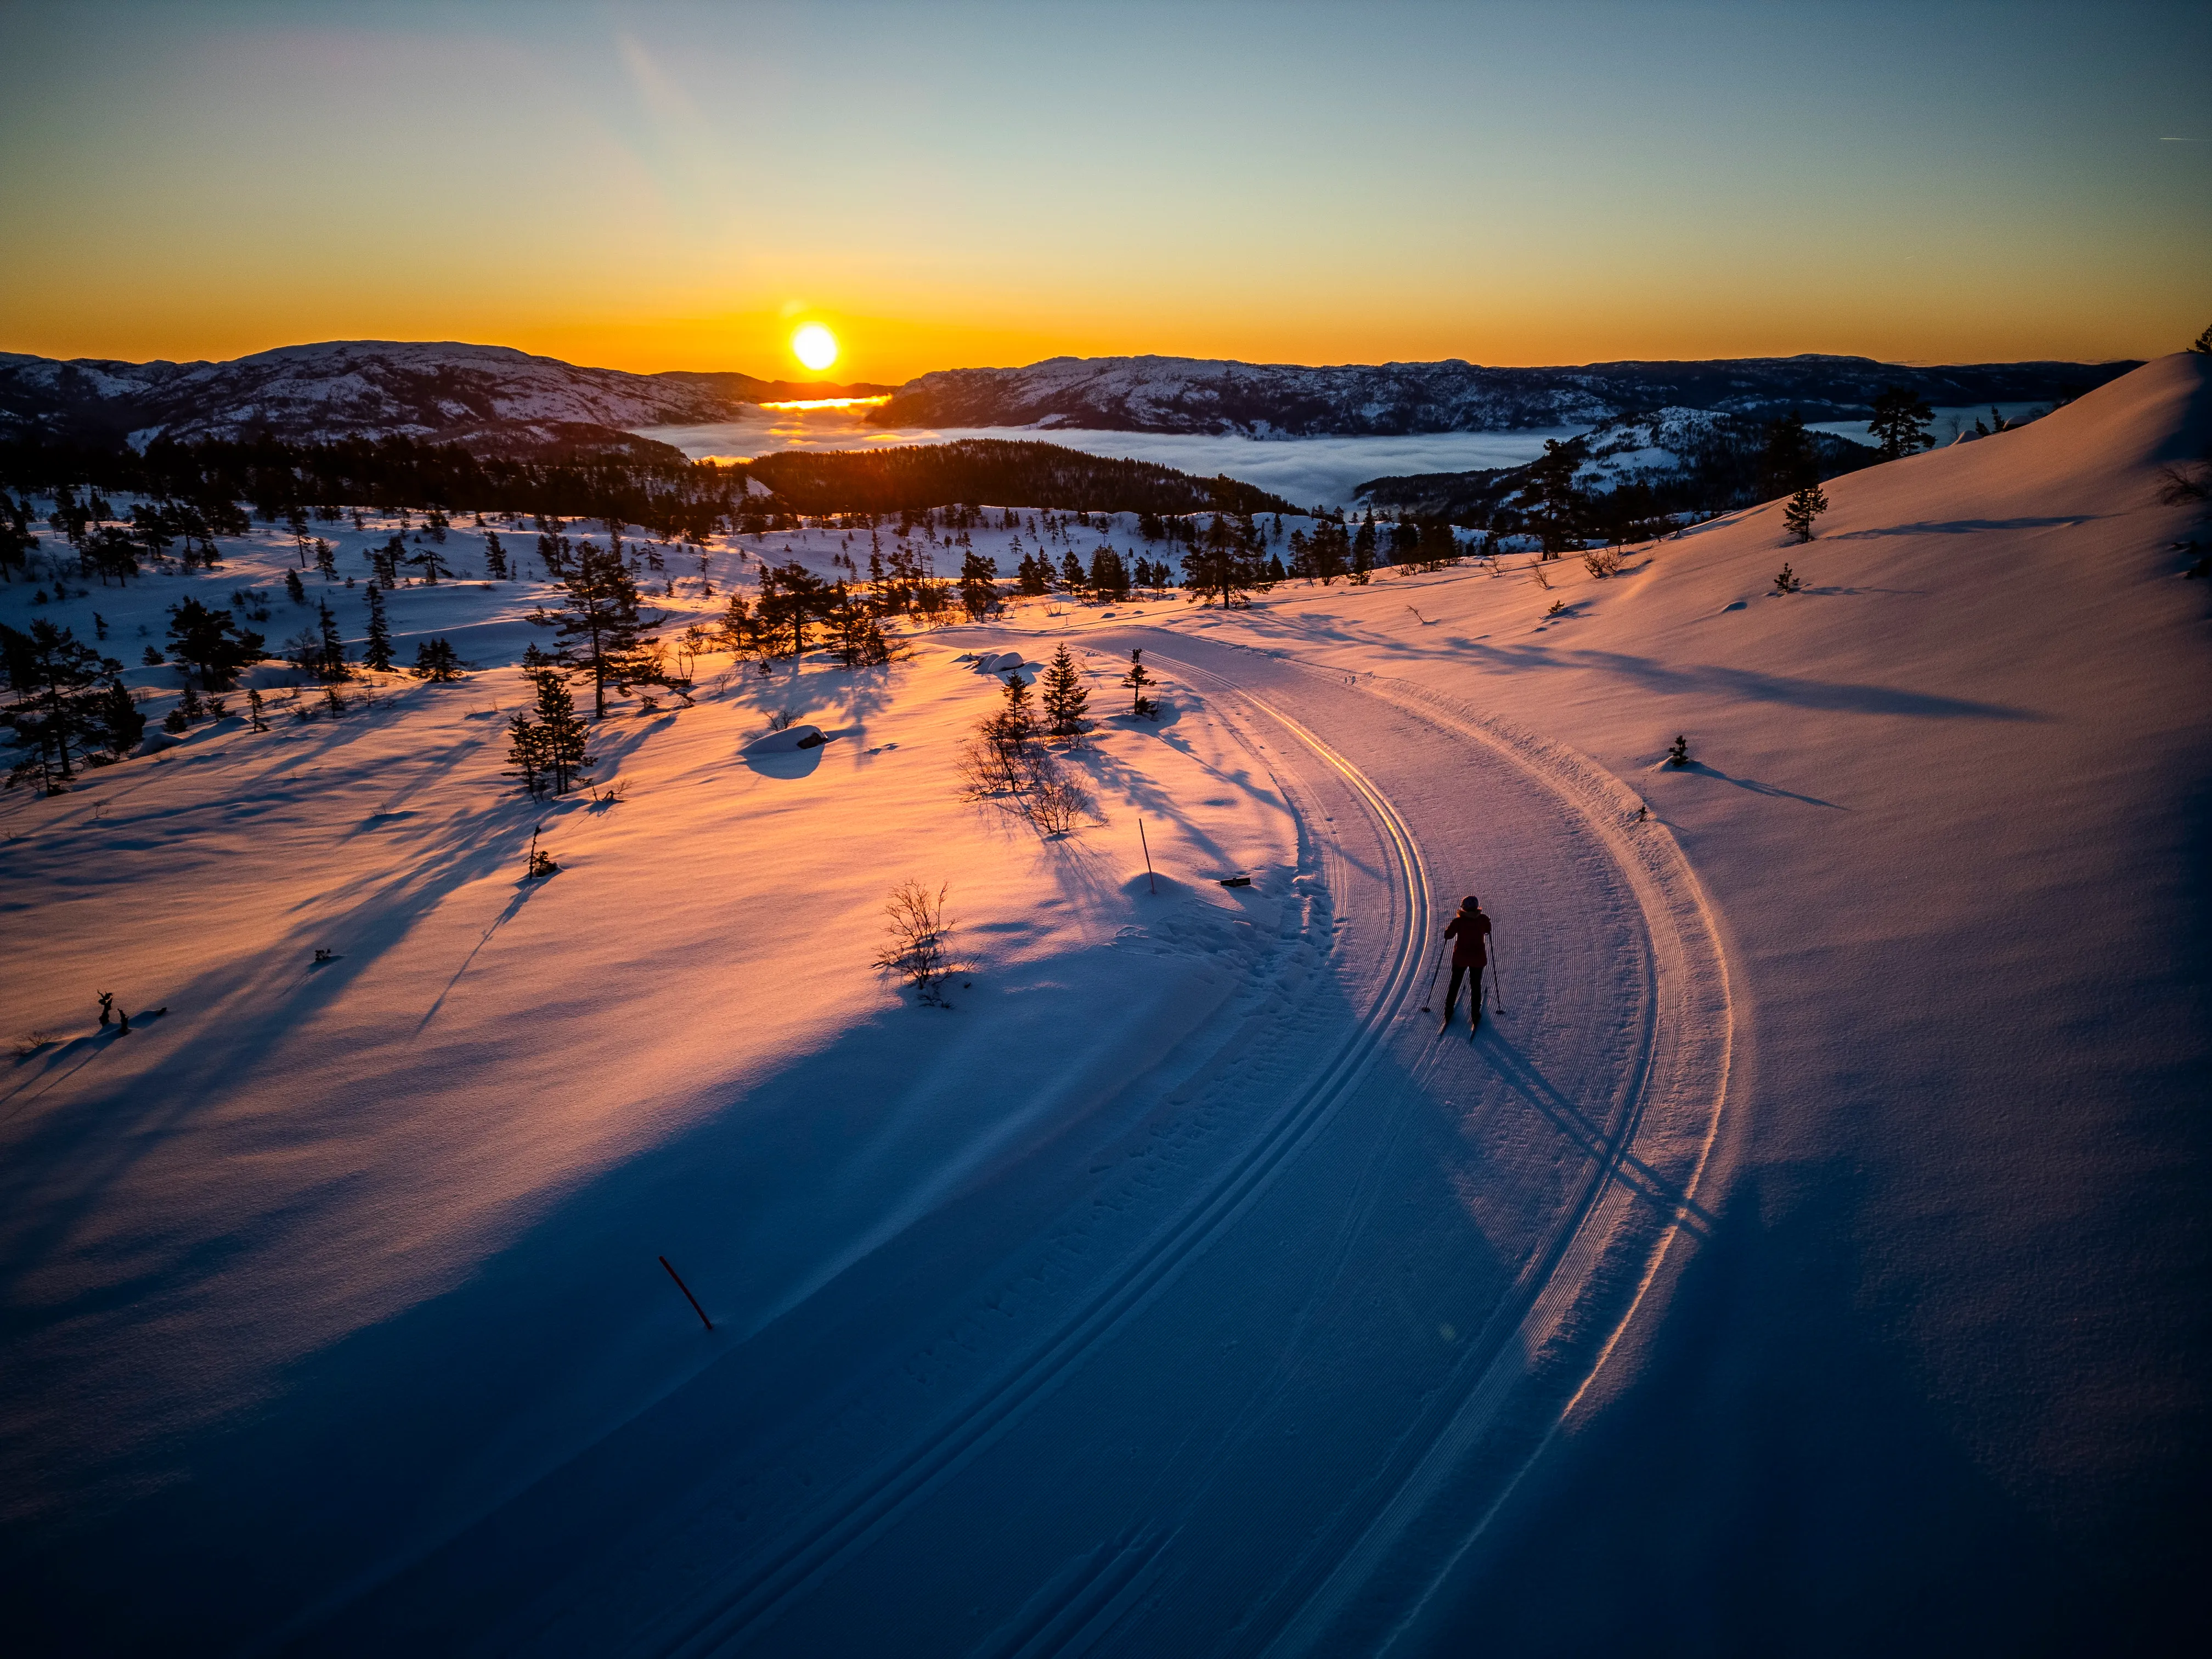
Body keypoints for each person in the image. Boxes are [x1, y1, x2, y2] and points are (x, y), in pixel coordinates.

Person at [1441, 895, 1492, 1030]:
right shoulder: (1483, 919)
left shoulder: (1458, 922)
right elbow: (1488, 930)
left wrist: (1447, 930)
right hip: (1478, 958)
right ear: (1476, 907)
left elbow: (1448, 936)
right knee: (1476, 985)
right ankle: (1475, 1014)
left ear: (1463, 907)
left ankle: (1448, 1010)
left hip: (1461, 958)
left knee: (1455, 983)